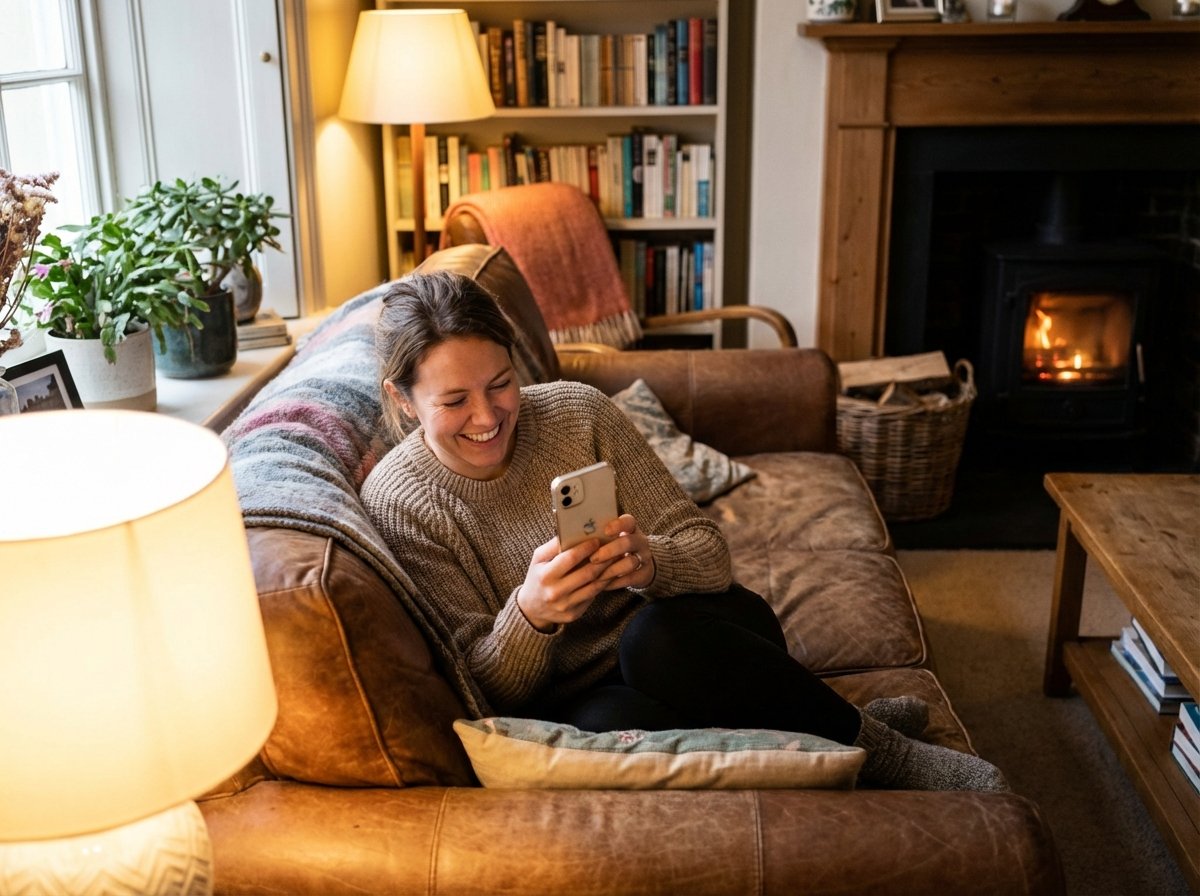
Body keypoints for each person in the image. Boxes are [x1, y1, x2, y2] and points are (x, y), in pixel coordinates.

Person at [360, 270, 1008, 793]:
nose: (487, 416)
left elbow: (710, 556)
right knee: (616, 725)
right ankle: (829, 726)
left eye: (502, 385)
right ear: (402, 399)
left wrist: (650, 563)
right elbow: (478, 690)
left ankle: (885, 753)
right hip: (580, 695)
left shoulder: (578, 413)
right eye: (454, 401)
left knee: (653, 641)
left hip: (701, 637)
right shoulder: (401, 501)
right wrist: (531, 615)